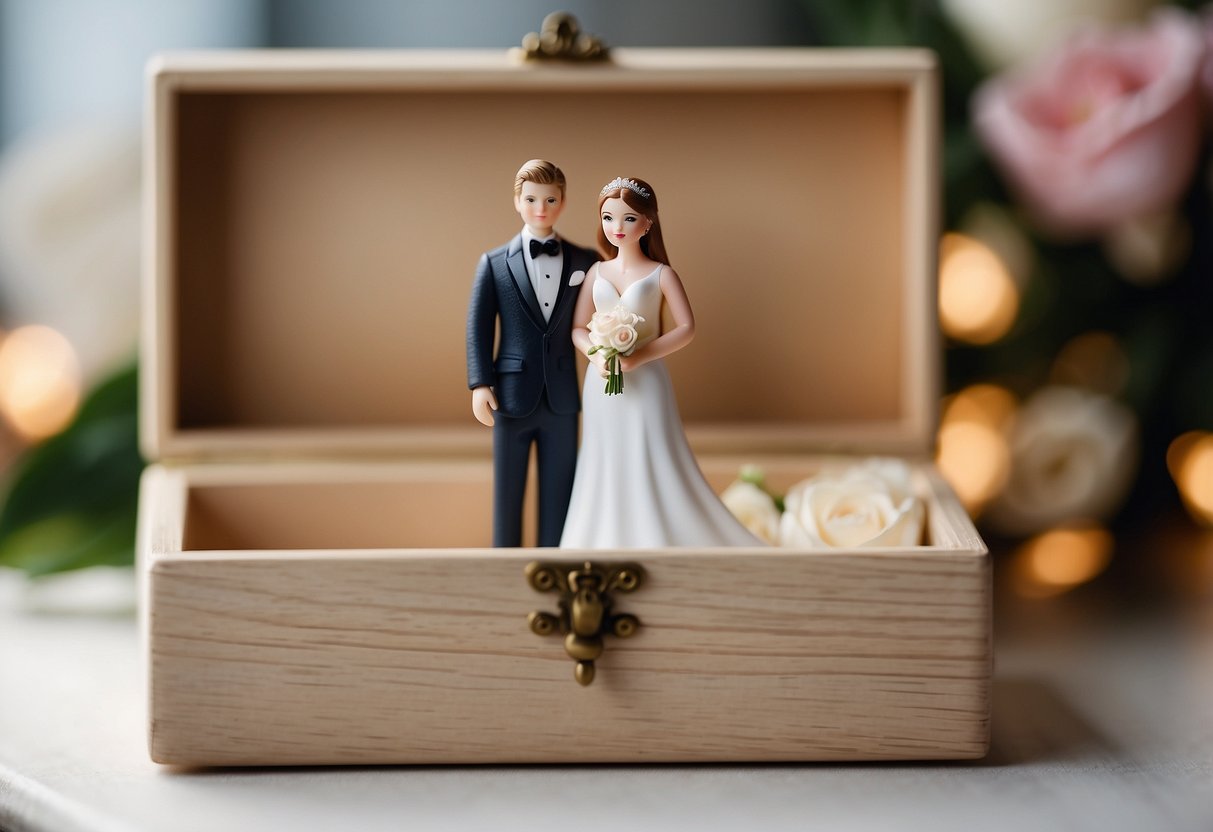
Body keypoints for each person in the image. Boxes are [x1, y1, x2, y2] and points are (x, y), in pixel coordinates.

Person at [560, 177, 762, 548]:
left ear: (648, 223)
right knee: (604, 455)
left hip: (646, 379)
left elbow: (686, 327)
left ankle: (656, 536)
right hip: (602, 380)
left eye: (628, 219)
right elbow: (576, 326)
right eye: (608, 218)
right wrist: (595, 352)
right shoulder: (596, 273)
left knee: (648, 451)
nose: (617, 228)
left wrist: (640, 356)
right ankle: (601, 538)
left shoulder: (661, 274)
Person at [466, 160, 597, 547]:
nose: (541, 207)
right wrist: (480, 382)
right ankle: (503, 561)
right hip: (510, 396)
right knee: (508, 489)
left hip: (562, 396)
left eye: (550, 199)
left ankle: (553, 561)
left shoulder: (585, 260)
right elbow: (478, 326)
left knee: (560, 489)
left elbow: (600, 313)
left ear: (563, 202)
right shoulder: (492, 263)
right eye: (531, 199)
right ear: (517, 202)